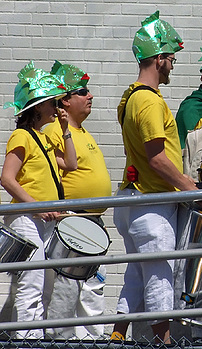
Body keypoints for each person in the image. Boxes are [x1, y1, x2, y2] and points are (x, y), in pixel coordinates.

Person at [111, 11, 202, 344]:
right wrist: (192, 190)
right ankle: (163, 341)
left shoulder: (131, 97)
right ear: (158, 59)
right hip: (150, 204)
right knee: (160, 276)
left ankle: (116, 334)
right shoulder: (149, 101)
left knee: (136, 274)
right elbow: (157, 159)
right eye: (170, 59)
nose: (173, 65)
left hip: (133, 201)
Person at [1, 61, 77, 339]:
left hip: (42, 218)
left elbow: (70, 163)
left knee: (44, 284)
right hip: (27, 218)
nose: (57, 108)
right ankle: (23, 340)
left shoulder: (42, 138)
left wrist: (66, 129)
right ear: (37, 107)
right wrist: (36, 206)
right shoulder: (21, 135)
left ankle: (33, 338)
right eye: (52, 103)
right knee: (30, 283)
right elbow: (7, 178)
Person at [42, 62, 112, 340]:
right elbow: (44, 172)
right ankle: (59, 340)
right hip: (70, 221)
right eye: (83, 92)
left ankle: (93, 339)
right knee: (65, 287)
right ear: (65, 101)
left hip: (93, 222)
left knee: (93, 285)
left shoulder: (84, 132)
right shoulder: (52, 131)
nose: (90, 96)